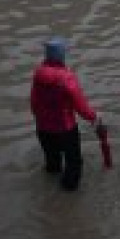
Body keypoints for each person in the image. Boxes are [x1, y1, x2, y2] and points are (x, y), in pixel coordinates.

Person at [30, 38, 101, 191]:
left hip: (43, 130)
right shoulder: (67, 78)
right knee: (74, 165)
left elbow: (34, 102)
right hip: (65, 131)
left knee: (52, 163)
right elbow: (81, 107)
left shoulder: (38, 74)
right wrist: (94, 117)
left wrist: (40, 120)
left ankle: (49, 190)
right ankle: (67, 202)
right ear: (62, 56)